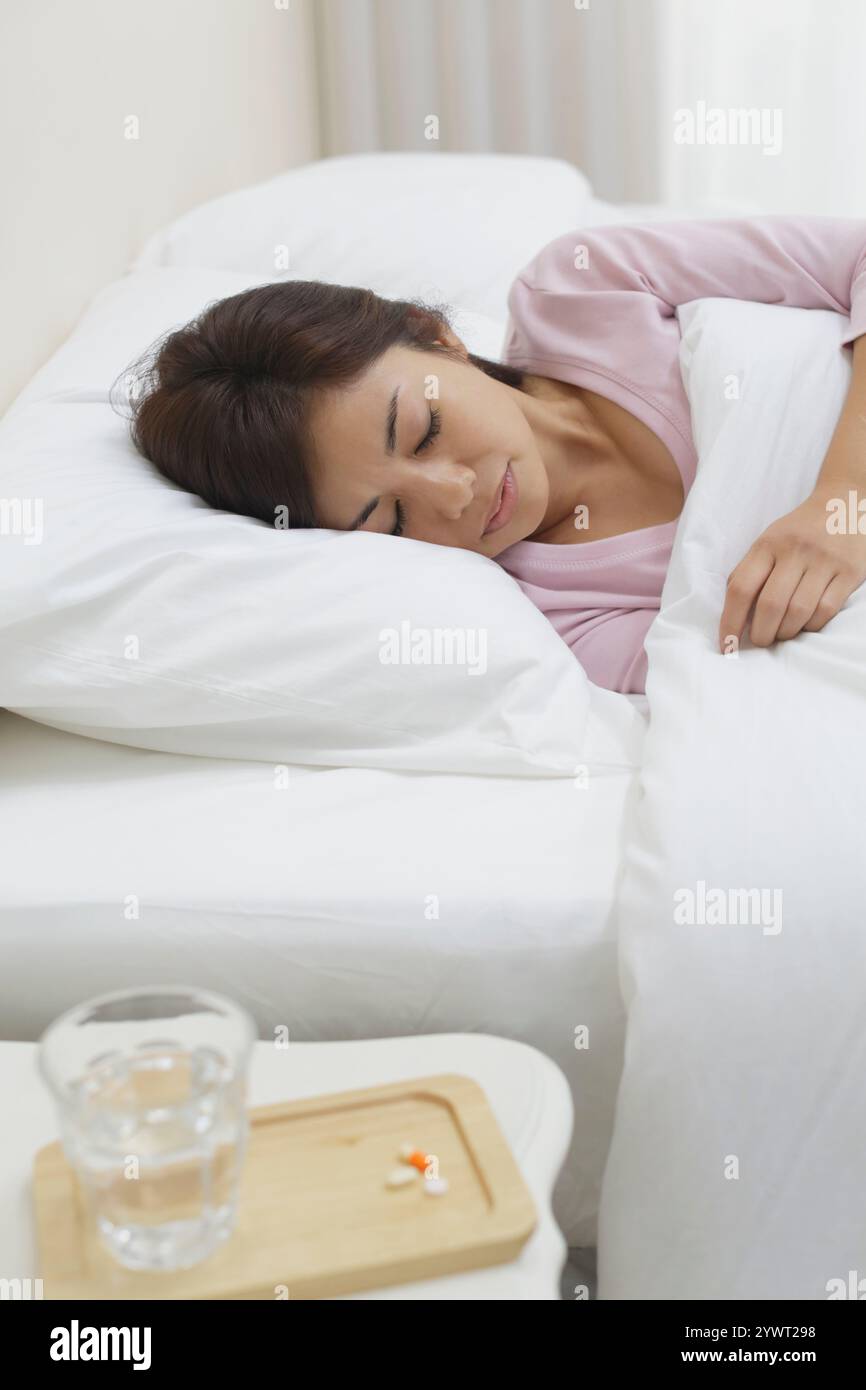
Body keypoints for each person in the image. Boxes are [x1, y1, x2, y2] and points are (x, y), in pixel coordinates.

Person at [128, 218, 866, 694]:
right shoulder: (558, 621)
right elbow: (768, 678)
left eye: (423, 431)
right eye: (390, 521)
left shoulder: (587, 288)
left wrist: (843, 502)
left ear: (437, 336)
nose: (452, 497)